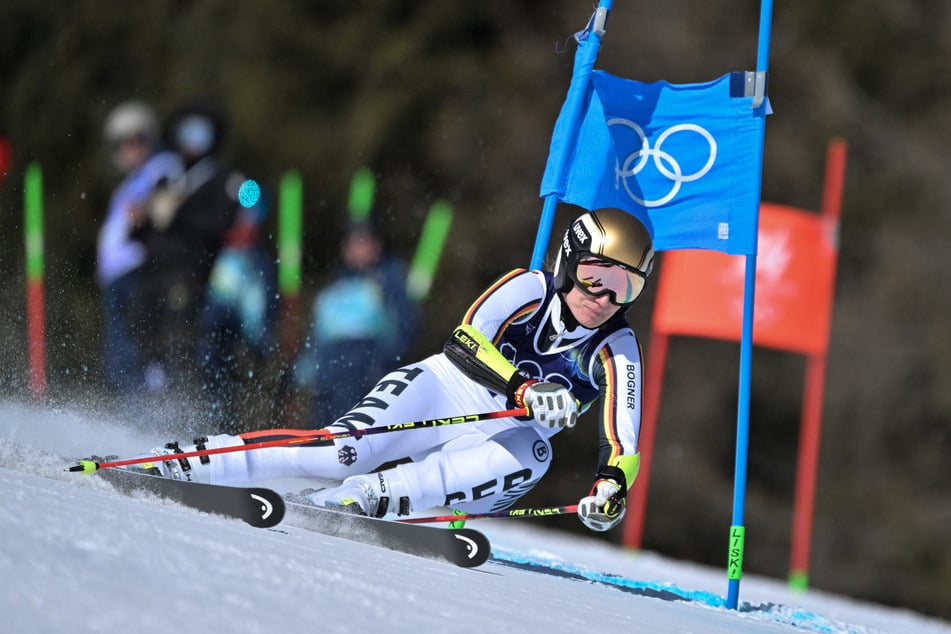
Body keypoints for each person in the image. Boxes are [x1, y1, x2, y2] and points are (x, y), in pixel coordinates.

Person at [124, 207, 654, 533]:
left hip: (502, 441)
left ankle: (362, 499)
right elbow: (465, 340)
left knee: (536, 453)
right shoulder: (529, 288)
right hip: (446, 389)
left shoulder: (619, 346)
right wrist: (524, 384)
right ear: (569, 262)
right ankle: (184, 462)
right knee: (339, 452)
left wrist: (612, 488)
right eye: (595, 276)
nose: (605, 297)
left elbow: (625, 441)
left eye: (626, 286)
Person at [132, 103, 243, 395]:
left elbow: (231, 214)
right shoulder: (166, 178)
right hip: (151, 279)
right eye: (186, 131)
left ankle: (186, 414)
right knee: (146, 350)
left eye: (201, 132)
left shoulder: (223, 179)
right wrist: (141, 220)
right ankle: (145, 416)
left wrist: (178, 214)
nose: (192, 140)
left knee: (181, 347)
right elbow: (144, 226)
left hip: (188, 276)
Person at [96, 101, 183, 398]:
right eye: (122, 143)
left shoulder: (162, 167)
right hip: (119, 279)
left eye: (136, 140)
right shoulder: (127, 184)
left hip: (141, 274)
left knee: (135, 356)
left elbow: (170, 203)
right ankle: (136, 424)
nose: (129, 148)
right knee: (119, 359)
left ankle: (149, 422)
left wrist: (148, 209)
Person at [295, 219, 417, 426]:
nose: (358, 249)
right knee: (325, 428)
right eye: (352, 243)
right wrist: (304, 369)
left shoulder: (388, 281)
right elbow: (318, 335)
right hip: (329, 371)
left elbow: (403, 328)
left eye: (364, 242)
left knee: (353, 429)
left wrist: (383, 364)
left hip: (364, 369)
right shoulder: (336, 285)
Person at [197, 188, 278, 434]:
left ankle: (220, 438)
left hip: (228, 342)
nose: (241, 222)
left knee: (222, 398)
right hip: (200, 337)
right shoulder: (212, 249)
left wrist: (258, 345)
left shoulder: (257, 262)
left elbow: (258, 310)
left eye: (249, 216)